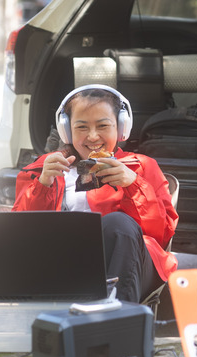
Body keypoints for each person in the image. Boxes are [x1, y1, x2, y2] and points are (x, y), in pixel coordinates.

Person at [12, 84, 179, 303]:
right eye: (81, 127)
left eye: (103, 126)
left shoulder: (141, 167)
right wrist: (43, 184)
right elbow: (19, 234)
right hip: (64, 261)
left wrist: (134, 185)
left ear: (120, 128)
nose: (92, 136)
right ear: (66, 130)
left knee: (118, 224)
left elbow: (160, 235)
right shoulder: (45, 168)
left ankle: (117, 319)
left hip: (128, 264)